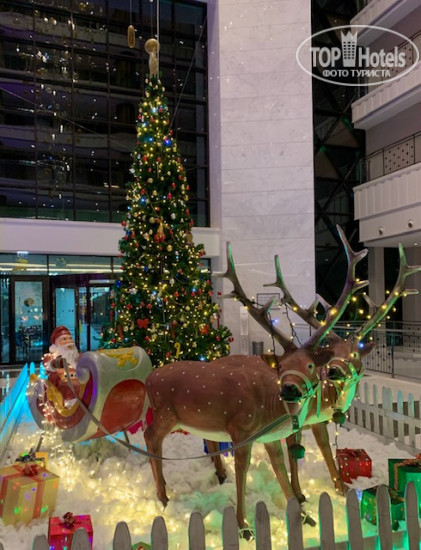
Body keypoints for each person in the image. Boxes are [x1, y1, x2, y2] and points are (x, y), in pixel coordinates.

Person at [42, 326, 80, 408]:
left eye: (70, 338)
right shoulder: (51, 356)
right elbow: (48, 366)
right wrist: (55, 363)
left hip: (79, 378)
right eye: (64, 339)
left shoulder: (77, 356)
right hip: (61, 382)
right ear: (56, 343)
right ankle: (70, 406)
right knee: (72, 386)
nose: (69, 341)